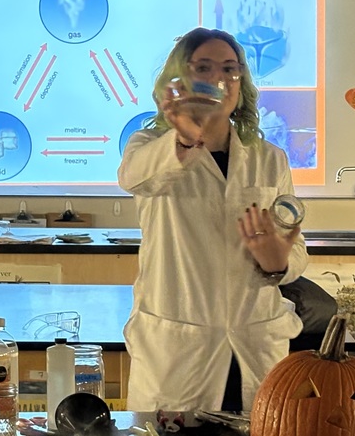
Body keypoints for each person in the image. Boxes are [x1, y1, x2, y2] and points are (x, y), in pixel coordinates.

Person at [118, 27, 308, 413]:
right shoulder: (149, 146)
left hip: (254, 345)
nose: (219, 78)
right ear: (180, 78)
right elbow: (134, 178)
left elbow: (294, 248)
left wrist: (278, 264)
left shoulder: (269, 159)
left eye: (230, 68)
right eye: (203, 67)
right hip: (180, 352)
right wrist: (186, 138)